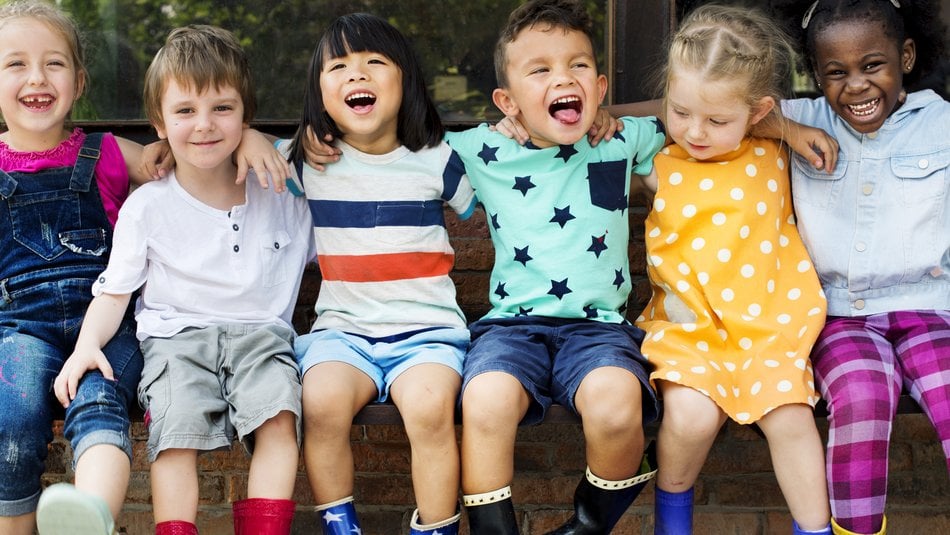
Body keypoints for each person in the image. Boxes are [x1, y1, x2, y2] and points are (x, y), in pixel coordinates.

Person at [53, 24, 314, 535]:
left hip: (262, 336)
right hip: (176, 340)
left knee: (280, 420)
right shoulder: (149, 205)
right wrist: (86, 345)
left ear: (245, 114)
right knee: (174, 438)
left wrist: (262, 142)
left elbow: (337, 144)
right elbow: (115, 291)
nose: (205, 126)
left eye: (223, 108)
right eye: (185, 111)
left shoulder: (281, 187)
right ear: (159, 122)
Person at [441, 1, 667, 532]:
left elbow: (700, 105)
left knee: (616, 408)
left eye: (578, 66)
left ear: (601, 85)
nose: (563, 78)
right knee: (485, 401)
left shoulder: (622, 139)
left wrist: (616, 112)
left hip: (599, 330)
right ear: (507, 100)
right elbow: (388, 139)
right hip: (511, 328)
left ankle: (588, 524)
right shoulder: (482, 148)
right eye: (539, 70)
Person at [624, 5, 833, 534]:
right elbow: (591, 123)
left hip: (768, 331)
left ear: (758, 112)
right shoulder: (658, 161)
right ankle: (673, 523)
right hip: (689, 332)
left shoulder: (773, 152)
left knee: (792, 420)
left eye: (718, 120)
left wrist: (784, 128)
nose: (695, 131)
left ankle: (816, 530)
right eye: (681, 111)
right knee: (689, 418)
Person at [282, 13, 475, 535]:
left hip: (427, 334)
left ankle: (436, 528)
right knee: (319, 403)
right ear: (318, 92)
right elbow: (239, 153)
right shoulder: (306, 162)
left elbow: (498, 177)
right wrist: (263, 142)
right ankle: (341, 527)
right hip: (344, 333)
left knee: (432, 410)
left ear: (405, 80)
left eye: (374, 63)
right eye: (338, 66)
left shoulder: (439, 160)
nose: (356, 75)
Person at [778, 1, 950, 534]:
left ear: (906, 55)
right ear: (815, 74)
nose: (855, 85)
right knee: (861, 399)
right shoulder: (800, 119)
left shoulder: (942, 121)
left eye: (872, 65)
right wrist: (782, 129)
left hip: (931, 310)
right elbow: (701, 105)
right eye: (836, 72)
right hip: (840, 317)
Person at [0, 1, 160, 533]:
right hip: (22, 330)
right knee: (13, 416)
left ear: (80, 80)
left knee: (100, 397)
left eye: (54, 63)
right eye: (15, 64)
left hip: (109, 323)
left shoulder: (109, 153)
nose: (36, 78)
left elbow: (191, 153)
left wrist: (251, 139)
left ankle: (90, 518)